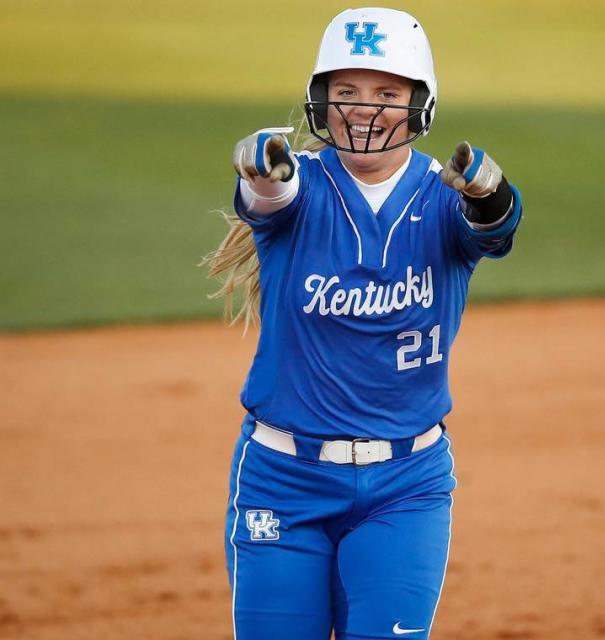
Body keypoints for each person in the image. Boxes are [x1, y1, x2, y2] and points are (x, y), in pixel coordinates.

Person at [204, 7, 523, 640]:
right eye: (345, 92)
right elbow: (268, 195)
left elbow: (493, 226)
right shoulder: (301, 186)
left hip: (406, 486)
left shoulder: (441, 197)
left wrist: (489, 192)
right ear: (321, 101)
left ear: (418, 104)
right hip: (281, 481)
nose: (364, 109)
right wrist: (258, 168)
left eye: (386, 93)